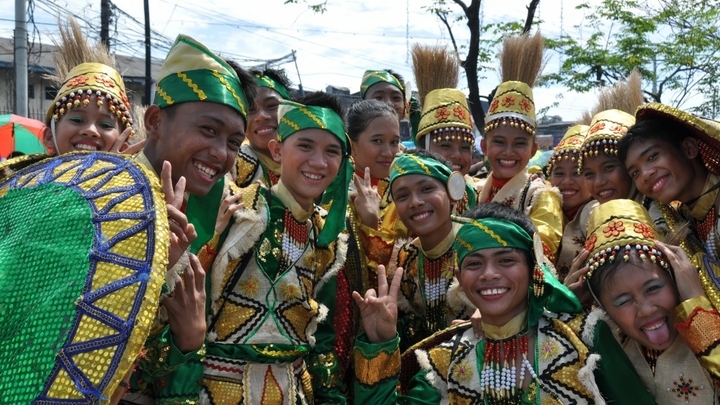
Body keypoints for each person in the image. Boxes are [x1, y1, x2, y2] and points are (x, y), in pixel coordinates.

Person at [352, 202, 656, 405]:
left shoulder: (584, 337)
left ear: (533, 267)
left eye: (506, 260)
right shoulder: (444, 361)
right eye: (474, 264)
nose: (489, 275)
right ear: (458, 275)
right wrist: (379, 344)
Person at [122, 34, 258, 405]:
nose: (220, 153)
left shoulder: (220, 205)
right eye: (208, 130)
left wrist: (190, 341)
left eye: (233, 142)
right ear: (154, 121)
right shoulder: (103, 194)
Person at [195, 93, 351, 404]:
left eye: (331, 152)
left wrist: (330, 397)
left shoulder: (328, 237)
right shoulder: (238, 208)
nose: (319, 162)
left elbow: (322, 335)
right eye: (305, 146)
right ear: (277, 150)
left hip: (292, 391)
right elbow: (192, 299)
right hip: (219, 389)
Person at [583, 199, 720, 403]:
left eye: (653, 288)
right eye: (623, 301)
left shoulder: (712, 313)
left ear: (676, 277)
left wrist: (696, 306)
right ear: (603, 308)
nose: (646, 310)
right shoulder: (605, 352)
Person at [478, 32, 563, 263]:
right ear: (484, 146)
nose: (508, 151)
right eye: (499, 142)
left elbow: (542, 254)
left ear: (534, 149)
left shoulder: (541, 196)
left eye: (519, 143)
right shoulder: (473, 191)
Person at [619, 104, 720, 292]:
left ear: (689, 149)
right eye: (635, 173)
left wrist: (694, 297)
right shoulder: (686, 215)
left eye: (652, 156)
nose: (645, 174)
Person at [385, 150, 473, 351]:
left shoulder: (482, 248)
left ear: (452, 192)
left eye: (426, 189)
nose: (415, 201)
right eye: (403, 195)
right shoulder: (405, 258)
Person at [42, 18, 141, 155]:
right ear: (50, 136)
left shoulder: (142, 177)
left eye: (106, 125)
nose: (90, 130)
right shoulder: (23, 176)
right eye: (77, 120)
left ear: (123, 146)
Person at [546, 124, 597, 280]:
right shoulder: (543, 207)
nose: (567, 181)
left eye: (577, 173)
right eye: (559, 173)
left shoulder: (597, 213)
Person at [235, 68, 294, 187]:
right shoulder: (236, 161)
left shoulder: (309, 160)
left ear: (290, 109)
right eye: (250, 110)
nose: (261, 116)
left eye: (272, 106)